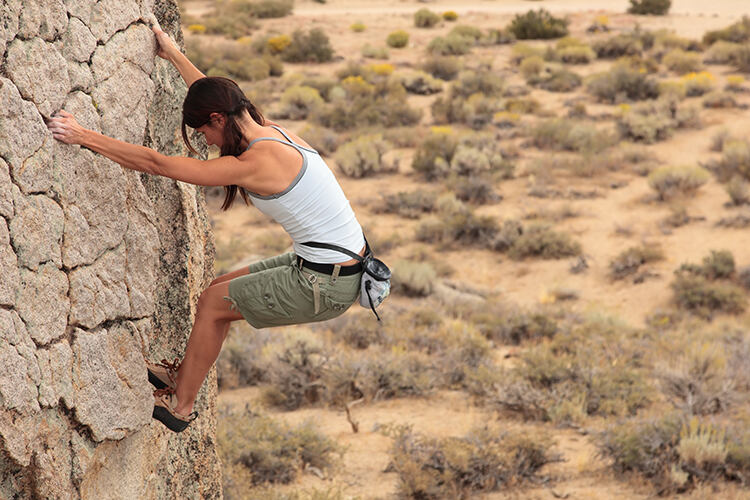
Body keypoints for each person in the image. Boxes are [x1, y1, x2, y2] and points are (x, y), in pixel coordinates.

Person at [47, 27, 366, 433]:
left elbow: (157, 164)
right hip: (331, 267)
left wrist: (82, 136)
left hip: (326, 283)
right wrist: (174, 55)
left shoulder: (254, 163)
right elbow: (216, 96)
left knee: (215, 306)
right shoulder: (271, 131)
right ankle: (181, 377)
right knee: (215, 294)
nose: (207, 142)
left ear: (218, 120)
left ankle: (181, 406)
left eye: (203, 133)